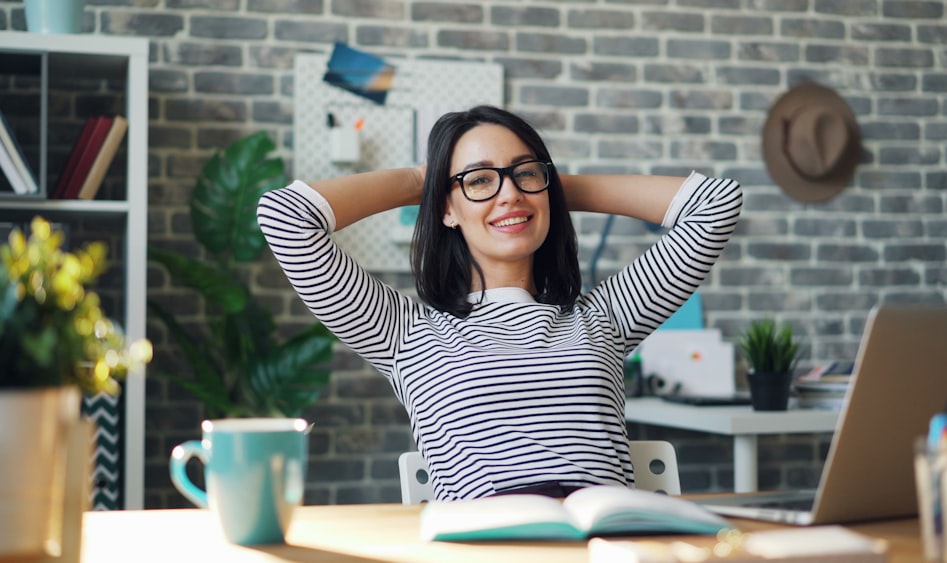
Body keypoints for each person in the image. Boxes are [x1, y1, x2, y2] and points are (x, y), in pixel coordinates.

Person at [258, 105, 743, 501]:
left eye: (524, 173)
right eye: (478, 181)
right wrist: (423, 181)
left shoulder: (605, 319)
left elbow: (716, 204)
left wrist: (545, 188)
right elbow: (285, 217)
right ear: (447, 207)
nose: (508, 193)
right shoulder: (404, 333)